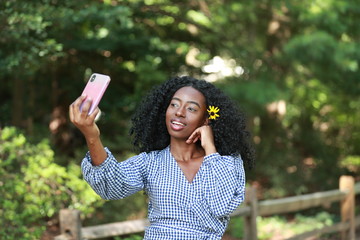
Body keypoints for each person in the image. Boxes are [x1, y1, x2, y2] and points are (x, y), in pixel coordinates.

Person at [69, 76, 255, 239]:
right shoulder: (150, 162)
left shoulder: (225, 162)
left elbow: (221, 206)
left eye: (191, 108)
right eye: (174, 104)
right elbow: (110, 186)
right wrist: (92, 135)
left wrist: (210, 148)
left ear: (206, 119)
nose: (179, 112)